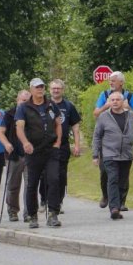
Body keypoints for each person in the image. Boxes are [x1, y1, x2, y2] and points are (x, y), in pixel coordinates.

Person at [15, 78, 63, 228]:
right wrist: (25, 142)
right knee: (32, 184)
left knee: (54, 179)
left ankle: (53, 214)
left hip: (51, 150)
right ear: (31, 90)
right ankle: (33, 215)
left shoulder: (51, 105)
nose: (40, 89)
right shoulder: (24, 108)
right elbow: (19, 128)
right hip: (33, 151)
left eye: (42, 87)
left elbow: (58, 124)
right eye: (37, 87)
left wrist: (58, 142)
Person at [93, 71, 133, 210]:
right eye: (109, 81)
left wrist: (127, 107)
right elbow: (96, 113)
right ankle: (106, 195)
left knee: (123, 176)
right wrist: (107, 105)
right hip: (107, 143)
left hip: (124, 146)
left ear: (121, 82)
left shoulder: (130, 96)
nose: (110, 83)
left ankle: (120, 202)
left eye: (113, 80)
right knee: (105, 173)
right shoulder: (105, 95)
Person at [48, 79, 81, 213]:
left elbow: (75, 126)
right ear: (49, 90)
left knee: (60, 175)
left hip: (63, 145)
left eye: (58, 88)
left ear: (63, 90)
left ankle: (58, 202)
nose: (56, 90)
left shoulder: (69, 106)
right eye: (53, 88)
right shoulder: (44, 104)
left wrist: (77, 145)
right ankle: (45, 200)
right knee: (46, 175)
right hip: (46, 145)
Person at [0, 90, 30, 221]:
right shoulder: (9, 114)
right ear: (17, 100)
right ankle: (12, 211)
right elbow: (0, 133)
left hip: (30, 155)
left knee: (30, 185)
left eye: (27, 101)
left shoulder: (33, 115)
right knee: (12, 185)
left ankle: (29, 213)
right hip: (14, 154)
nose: (25, 103)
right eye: (23, 101)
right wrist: (6, 144)